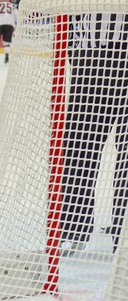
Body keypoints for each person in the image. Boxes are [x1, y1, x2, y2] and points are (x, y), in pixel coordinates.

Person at [60, 13, 128, 253]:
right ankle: (73, 227)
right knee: (78, 154)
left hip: (115, 67)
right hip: (88, 76)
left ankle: (122, 233)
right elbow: (68, 37)